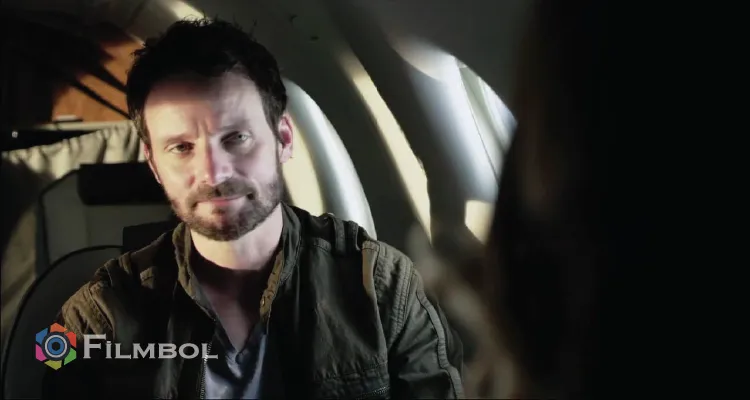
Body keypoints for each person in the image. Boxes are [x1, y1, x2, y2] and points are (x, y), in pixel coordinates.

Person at [42, 18, 463, 399]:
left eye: (236, 138)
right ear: (154, 165)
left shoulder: (383, 288)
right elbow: (49, 362)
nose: (213, 172)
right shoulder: (95, 317)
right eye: (182, 148)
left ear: (284, 139)